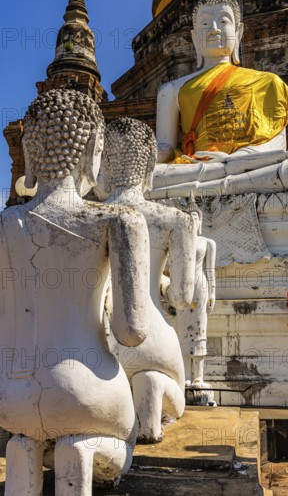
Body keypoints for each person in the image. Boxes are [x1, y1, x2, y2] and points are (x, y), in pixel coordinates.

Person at [0, 90, 151, 495]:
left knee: (24, 436)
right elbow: (131, 331)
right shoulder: (118, 221)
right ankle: (82, 450)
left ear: (30, 152)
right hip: (86, 392)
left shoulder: (4, 223)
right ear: (92, 148)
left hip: (9, 394)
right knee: (125, 438)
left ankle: (23, 450)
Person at [148, 0, 288, 200]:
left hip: (246, 166)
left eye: (223, 21)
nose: (213, 29)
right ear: (193, 38)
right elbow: (167, 148)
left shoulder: (266, 82)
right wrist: (142, 156)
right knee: (146, 177)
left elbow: (276, 144)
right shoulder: (172, 89)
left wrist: (235, 159)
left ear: (238, 33)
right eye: (204, 24)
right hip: (195, 167)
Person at [95, 117, 197, 443]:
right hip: (152, 344)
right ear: (151, 168)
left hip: (94, 342)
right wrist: (165, 284)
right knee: (176, 399)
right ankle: (152, 390)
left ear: (101, 166)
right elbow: (182, 298)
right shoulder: (175, 220)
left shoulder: (83, 217)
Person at [174, 197, 216, 386]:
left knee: (200, 329)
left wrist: (213, 293)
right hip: (183, 287)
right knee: (182, 330)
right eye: (189, 217)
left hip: (200, 286)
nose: (193, 220)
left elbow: (210, 270)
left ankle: (198, 375)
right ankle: (186, 376)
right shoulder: (179, 242)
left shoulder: (207, 243)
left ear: (200, 221)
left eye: (195, 217)